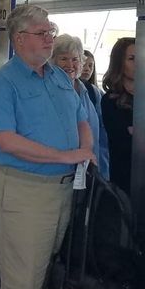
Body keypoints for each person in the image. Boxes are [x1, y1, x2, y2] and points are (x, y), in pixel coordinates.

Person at [0, 4, 93, 289]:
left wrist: (85, 150)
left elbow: (81, 117)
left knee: (55, 273)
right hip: (25, 187)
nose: (50, 37)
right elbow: (6, 140)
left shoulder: (60, 77)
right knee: (23, 279)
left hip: (66, 186)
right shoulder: (2, 83)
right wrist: (66, 155)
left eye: (52, 31)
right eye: (43, 32)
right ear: (20, 38)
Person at [52, 34, 109, 181]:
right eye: (63, 59)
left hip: (90, 167)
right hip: (61, 172)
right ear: (52, 61)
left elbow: (101, 133)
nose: (70, 65)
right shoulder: (49, 91)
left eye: (75, 59)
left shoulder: (90, 90)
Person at [100, 37, 136, 193]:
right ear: (120, 62)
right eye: (132, 58)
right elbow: (120, 138)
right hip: (123, 174)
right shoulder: (110, 100)